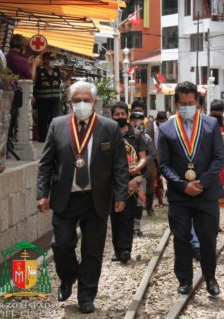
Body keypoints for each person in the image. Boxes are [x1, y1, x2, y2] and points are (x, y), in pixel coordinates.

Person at [36, 81, 128, 314]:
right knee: (61, 244)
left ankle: (86, 296)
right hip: (65, 197)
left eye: (86, 100)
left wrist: (120, 193)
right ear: (69, 102)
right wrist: (42, 194)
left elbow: (119, 165)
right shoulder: (57, 125)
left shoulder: (109, 127)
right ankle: (68, 276)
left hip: (97, 199)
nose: (82, 104)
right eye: (77, 100)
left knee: (92, 251)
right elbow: (46, 163)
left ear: (95, 102)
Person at [157, 81, 224, 296]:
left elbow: (218, 157)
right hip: (180, 195)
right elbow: (163, 164)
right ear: (176, 103)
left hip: (206, 193)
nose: (187, 106)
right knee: (181, 238)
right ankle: (184, 279)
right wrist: (182, 185)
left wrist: (202, 182)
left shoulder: (210, 125)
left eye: (191, 102)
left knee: (207, 237)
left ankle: (211, 278)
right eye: (183, 103)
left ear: (197, 102)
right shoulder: (166, 128)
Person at [109, 102, 147, 263]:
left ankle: (125, 249)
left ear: (127, 115)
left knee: (127, 215)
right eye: (116, 114)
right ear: (112, 116)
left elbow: (143, 157)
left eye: (122, 114)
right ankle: (117, 250)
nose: (120, 117)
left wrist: (135, 168)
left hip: (131, 181)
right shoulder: (107, 134)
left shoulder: (137, 135)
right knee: (114, 216)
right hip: (112, 182)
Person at [33, 52, 64, 142]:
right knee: (42, 119)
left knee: (54, 119)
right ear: (45, 60)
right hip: (42, 99)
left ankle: (52, 138)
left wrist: (71, 72)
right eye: (51, 59)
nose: (53, 61)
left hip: (55, 100)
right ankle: (43, 138)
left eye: (53, 59)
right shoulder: (39, 70)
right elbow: (33, 81)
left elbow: (65, 79)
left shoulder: (57, 70)